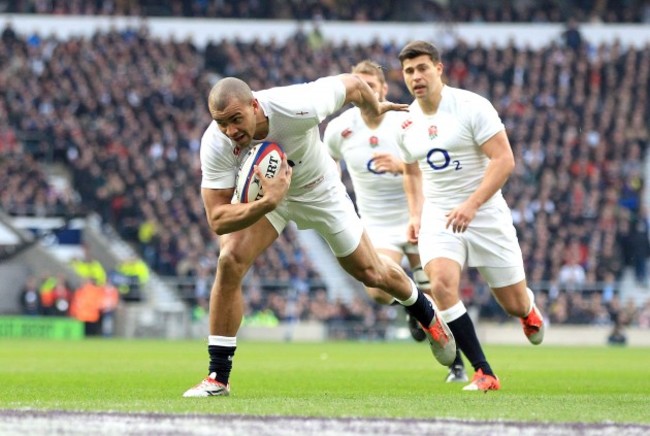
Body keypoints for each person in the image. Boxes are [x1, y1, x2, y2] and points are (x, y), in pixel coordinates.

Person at [182, 73, 457, 397]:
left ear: (255, 106)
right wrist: (270, 200)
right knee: (229, 259)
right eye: (222, 122)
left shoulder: (298, 105)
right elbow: (217, 218)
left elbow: (354, 83)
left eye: (236, 119)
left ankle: (424, 310)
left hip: (319, 189)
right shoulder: (215, 142)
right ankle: (218, 377)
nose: (231, 131)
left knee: (371, 272)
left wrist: (373, 108)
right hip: (268, 200)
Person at [397, 41, 545, 391]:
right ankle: (484, 372)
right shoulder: (404, 123)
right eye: (408, 71)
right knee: (442, 285)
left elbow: (504, 159)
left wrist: (473, 204)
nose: (416, 77)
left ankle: (528, 311)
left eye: (422, 68)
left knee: (513, 302)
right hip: (439, 215)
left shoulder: (471, 106)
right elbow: (411, 171)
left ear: (439, 68)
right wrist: (416, 214)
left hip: (486, 213)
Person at [323, 60, 467, 383]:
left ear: (384, 89)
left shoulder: (405, 121)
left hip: (417, 216)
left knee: (440, 294)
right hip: (376, 225)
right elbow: (327, 156)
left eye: (372, 86)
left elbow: (434, 163)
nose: (366, 91)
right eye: (359, 85)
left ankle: (456, 364)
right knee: (377, 291)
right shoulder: (339, 129)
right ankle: (411, 304)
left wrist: (402, 167)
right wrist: (334, 180)